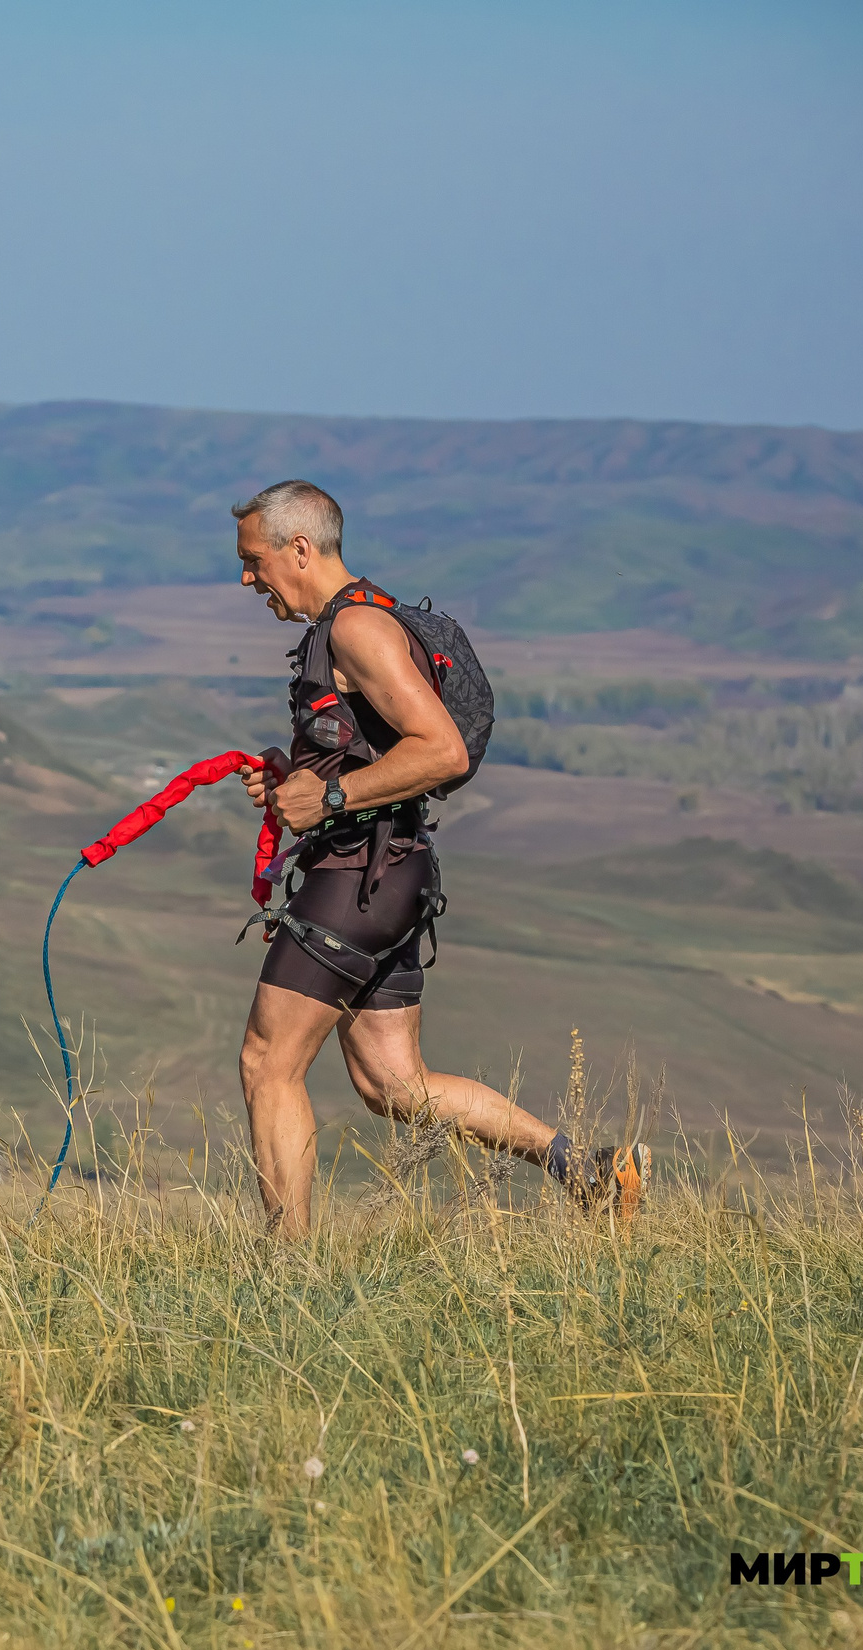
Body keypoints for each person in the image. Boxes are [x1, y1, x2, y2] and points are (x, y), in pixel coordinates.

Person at [228, 480, 646, 1233]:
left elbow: (441, 751)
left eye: (255, 561)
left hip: (355, 878)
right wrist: (297, 779)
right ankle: (588, 1169)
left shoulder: (356, 630)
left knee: (268, 1062)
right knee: (396, 1085)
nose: (248, 578)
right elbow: (370, 750)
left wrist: (324, 802)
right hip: (393, 873)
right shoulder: (365, 617)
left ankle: (285, 1274)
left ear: (299, 548)